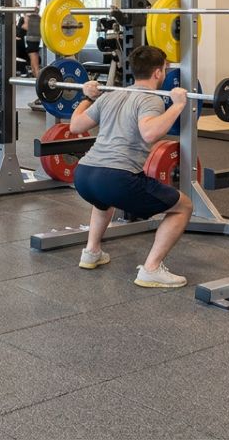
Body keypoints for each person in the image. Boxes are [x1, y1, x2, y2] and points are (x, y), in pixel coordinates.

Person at [68, 44, 193, 288]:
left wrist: (86, 97)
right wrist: (178, 105)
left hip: (84, 174)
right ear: (157, 73)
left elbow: (76, 126)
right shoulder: (151, 99)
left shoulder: (112, 94)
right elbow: (149, 133)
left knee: (102, 201)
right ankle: (151, 269)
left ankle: (91, 252)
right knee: (183, 207)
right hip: (116, 178)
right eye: (165, 69)